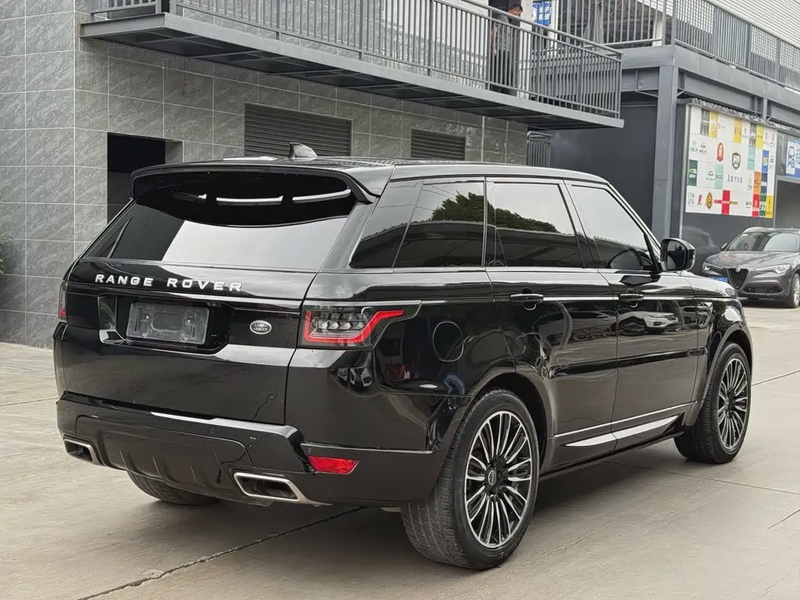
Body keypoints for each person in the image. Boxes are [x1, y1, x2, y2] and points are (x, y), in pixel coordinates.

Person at [490, 3, 522, 95]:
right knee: (501, 70)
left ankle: (505, 90)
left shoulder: (507, 20)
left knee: (508, 70)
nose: (517, 16)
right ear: (514, 11)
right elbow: (494, 30)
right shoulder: (502, 17)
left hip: (506, 50)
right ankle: (498, 90)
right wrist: (494, 47)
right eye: (518, 14)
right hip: (501, 48)